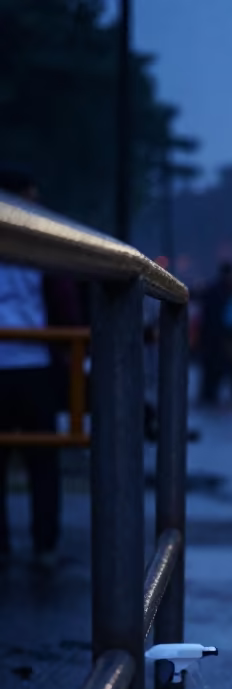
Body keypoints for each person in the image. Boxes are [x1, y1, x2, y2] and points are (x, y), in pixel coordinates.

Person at [0, 167, 81, 568]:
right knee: (43, 462)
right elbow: (63, 300)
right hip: (34, 361)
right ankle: (45, 545)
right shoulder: (41, 244)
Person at [198, 261, 232, 404]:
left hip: (215, 337)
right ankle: (231, 396)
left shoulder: (213, 291)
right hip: (229, 338)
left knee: (213, 371)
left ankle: (209, 396)